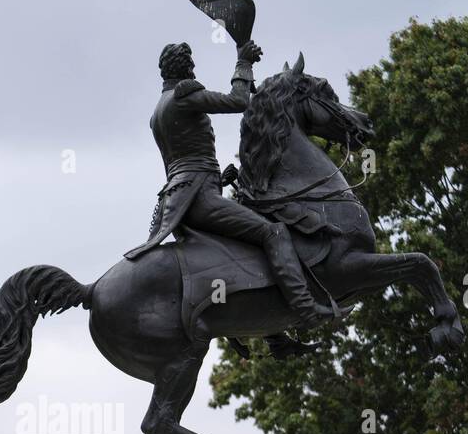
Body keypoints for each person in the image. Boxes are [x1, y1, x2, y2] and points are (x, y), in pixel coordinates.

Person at [124, 40, 335, 356]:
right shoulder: (184, 96)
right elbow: (238, 101)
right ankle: (305, 308)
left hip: (184, 197)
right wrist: (243, 62)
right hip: (199, 200)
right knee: (271, 232)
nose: (194, 67)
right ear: (184, 67)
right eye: (191, 62)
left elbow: (185, 162)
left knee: (246, 245)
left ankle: (275, 336)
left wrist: (217, 178)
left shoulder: (159, 109)